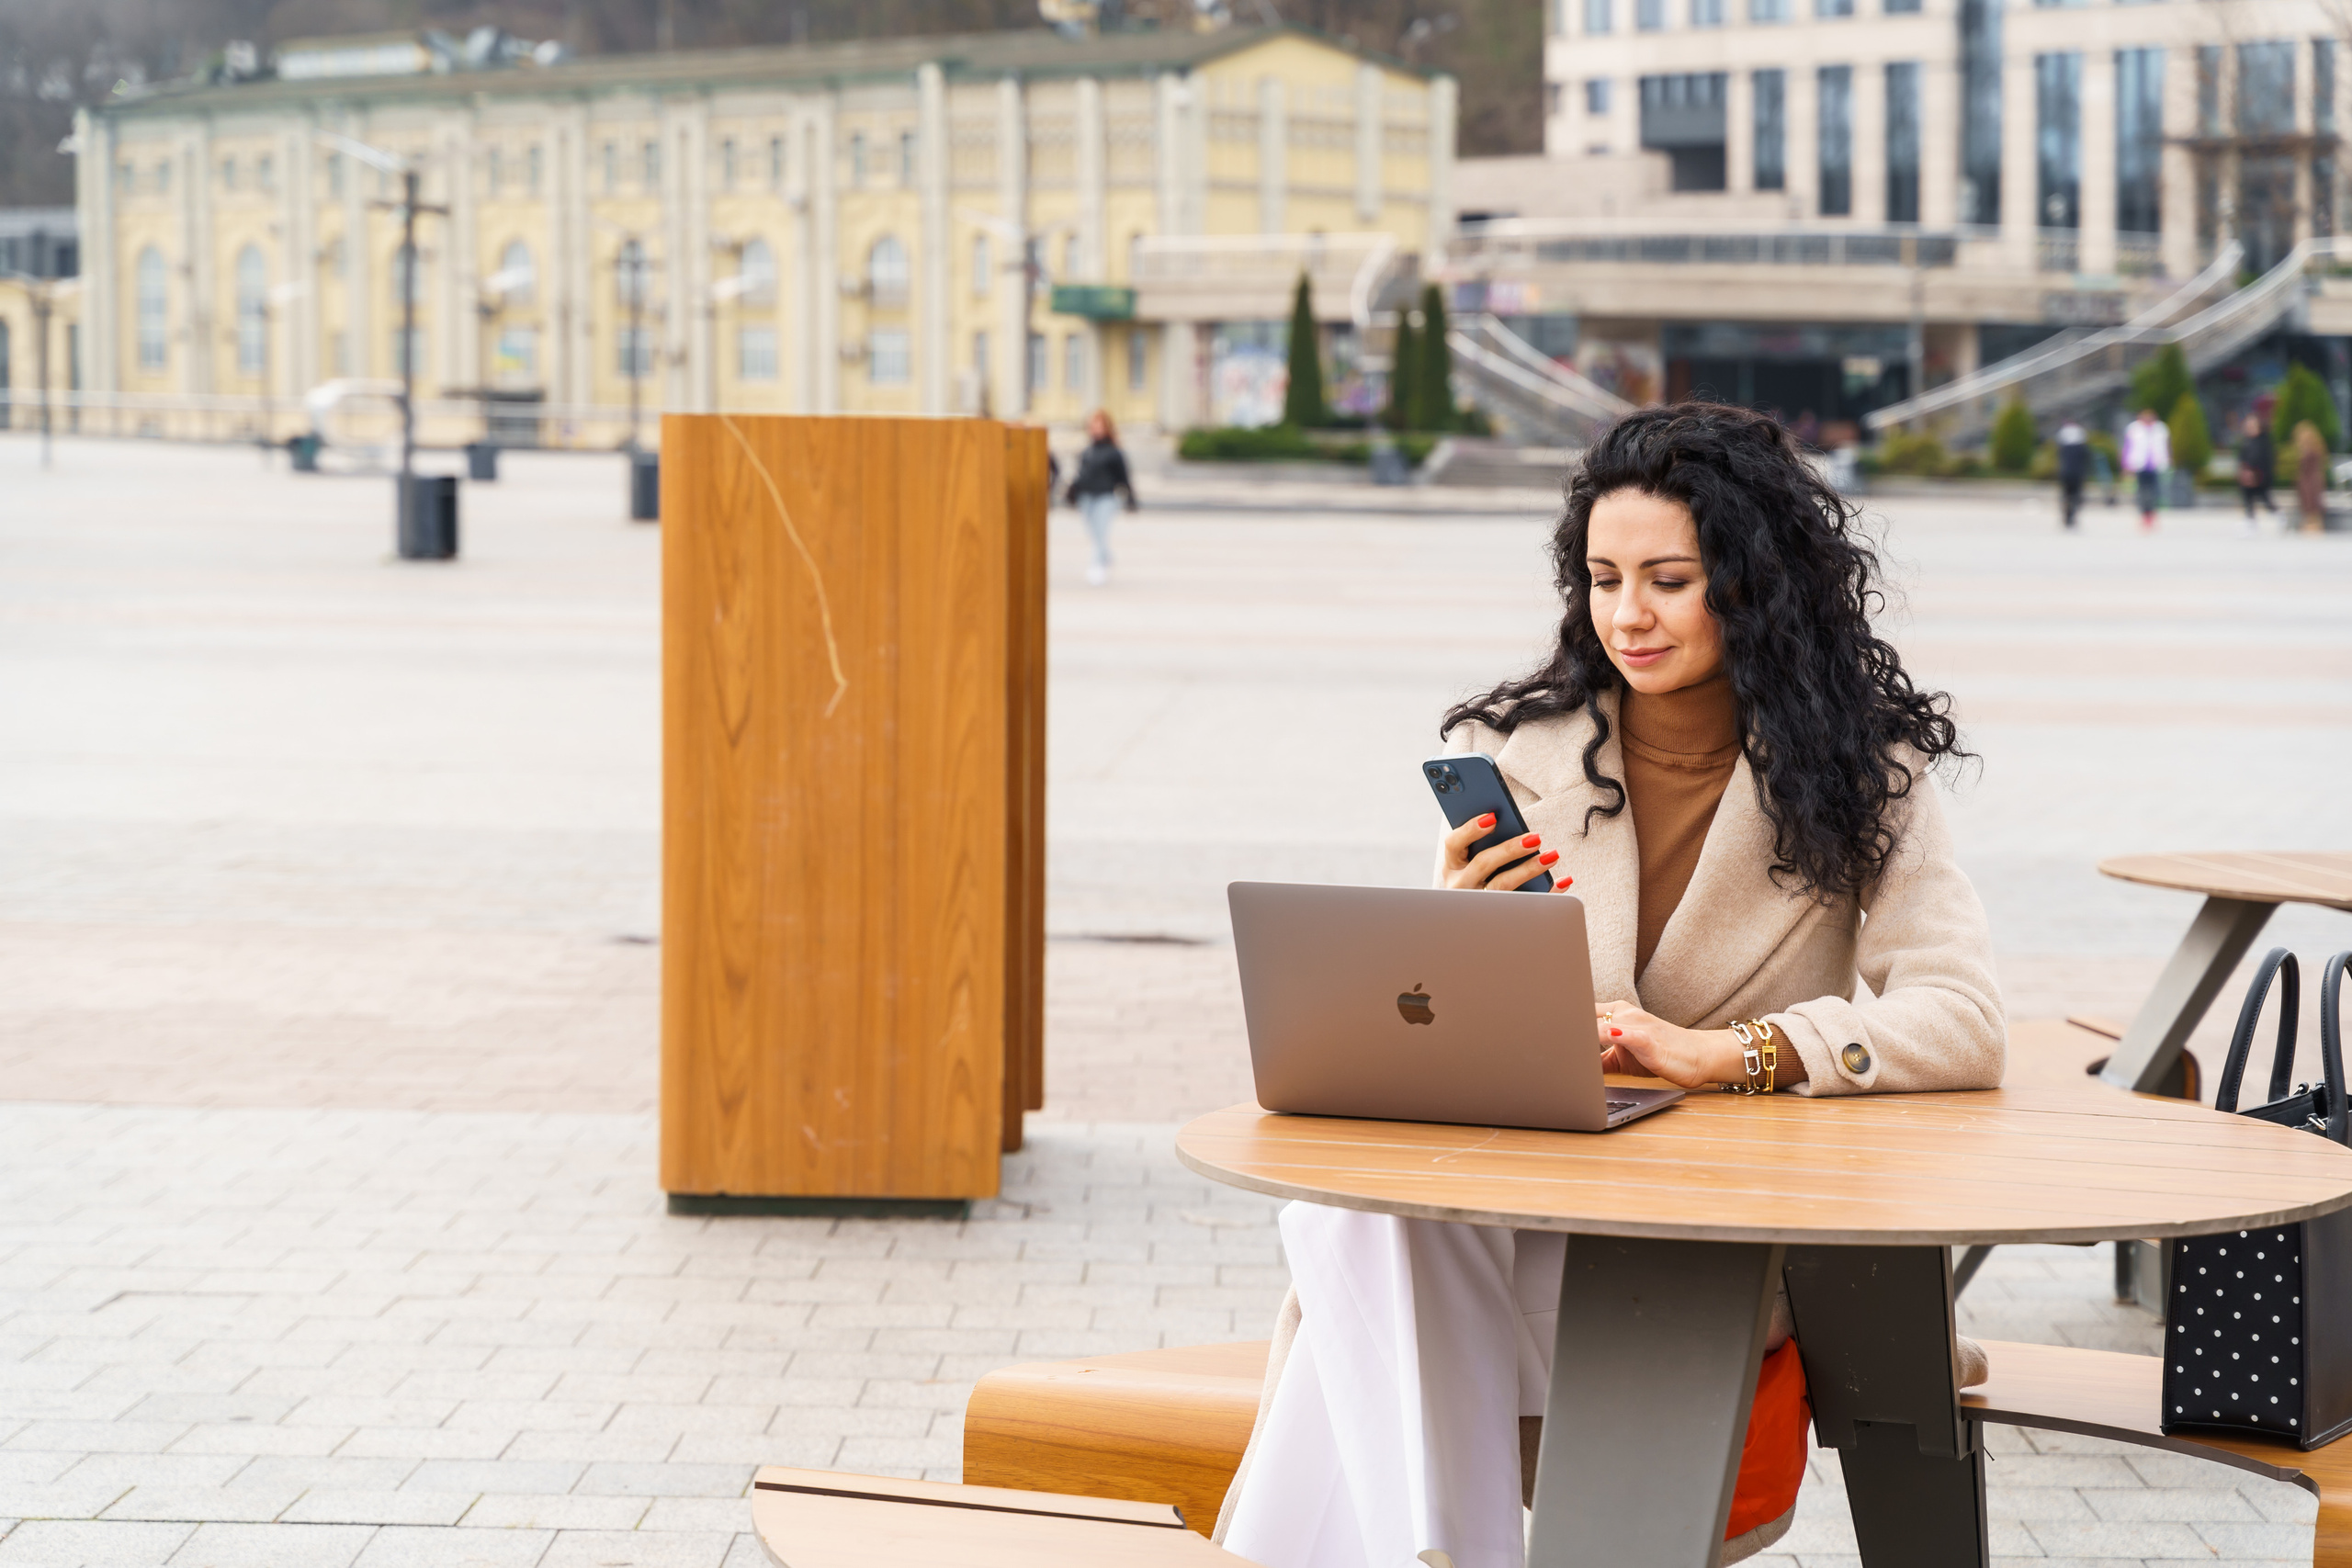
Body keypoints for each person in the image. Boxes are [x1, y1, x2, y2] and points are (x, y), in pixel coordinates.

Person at [1216, 403, 2006, 1568]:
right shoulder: (1519, 754)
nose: (1627, 614)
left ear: (1751, 584)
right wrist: (1452, 932)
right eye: (1602, 577)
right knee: (1350, 1217)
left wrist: (1730, 1056)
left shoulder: (1866, 774)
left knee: (1353, 1254)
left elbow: (1962, 1020)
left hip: (1711, 1252)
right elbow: (1438, 1041)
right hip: (1526, 1211)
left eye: (1669, 579)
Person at [1065, 408, 1136, 587]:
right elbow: (1081, 474)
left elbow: (1124, 476)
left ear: (1107, 427)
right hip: (1086, 497)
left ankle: (1097, 567)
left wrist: (1130, 497)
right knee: (1093, 532)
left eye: (1098, 425)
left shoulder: (1114, 452)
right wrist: (1072, 490)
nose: (1095, 429)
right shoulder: (1087, 451)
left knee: (1101, 532)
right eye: (1092, 426)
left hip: (1106, 497)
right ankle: (1106, 556)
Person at [2122, 406, 2170, 530]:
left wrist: (2167, 460)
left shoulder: (2161, 429)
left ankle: (2152, 514)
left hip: (2155, 465)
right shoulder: (2134, 429)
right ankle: (2144, 514)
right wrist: (2126, 464)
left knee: (2155, 491)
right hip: (2139, 464)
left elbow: (2166, 446)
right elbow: (2127, 447)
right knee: (2142, 491)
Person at [2236, 413, 2278, 533]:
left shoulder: (2263, 441)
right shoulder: (2246, 441)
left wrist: (2256, 473)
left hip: (2260, 477)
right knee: (2248, 499)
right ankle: (2250, 523)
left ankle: (2279, 517)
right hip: (2248, 477)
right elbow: (2242, 458)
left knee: (2265, 499)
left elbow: (2265, 460)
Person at [2295, 419, 2329, 534]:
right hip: (2313, 481)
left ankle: (2311, 531)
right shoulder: (2317, 448)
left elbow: (2305, 469)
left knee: (2311, 509)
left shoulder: (2309, 451)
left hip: (2310, 483)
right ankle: (2313, 528)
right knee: (2312, 510)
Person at [2055, 420, 2090, 528]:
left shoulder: (2063, 448)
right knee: (2076, 496)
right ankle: (2072, 515)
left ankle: (2067, 515)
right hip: (2078, 474)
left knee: (2066, 495)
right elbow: (2087, 460)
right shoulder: (2082, 448)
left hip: (2065, 473)